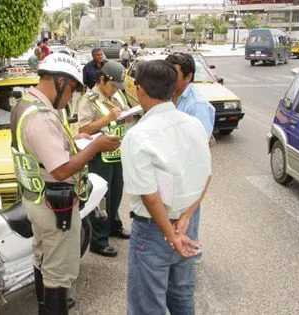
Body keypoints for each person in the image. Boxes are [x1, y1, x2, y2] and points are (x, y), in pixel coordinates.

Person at [10, 53, 120, 315]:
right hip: (54, 205)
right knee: (59, 273)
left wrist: (77, 138)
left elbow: (45, 148)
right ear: (59, 81)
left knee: (43, 260)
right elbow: (60, 170)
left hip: (36, 199)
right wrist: (94, 146)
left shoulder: (25, 105)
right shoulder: (41, 116)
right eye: (70, 88)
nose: (70, 96)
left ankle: (43, 308)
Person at [121, 59, 212, 315]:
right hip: (186, 224)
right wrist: (186, 218)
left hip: (154, 229)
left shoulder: (137, 136)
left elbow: (150, 196)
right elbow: (207, 175)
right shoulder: (194, 125)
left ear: (139, 89)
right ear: (174, 89)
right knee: (182, 296)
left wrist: (171, 234)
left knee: (147, 304)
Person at [77, 61, 132, 257]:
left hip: (116, 153)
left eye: (118, 87)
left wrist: (125, 114)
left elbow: (124, 113)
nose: (115, 90)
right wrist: (107, 119)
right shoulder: (88, 100)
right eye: (113, 86)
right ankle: (98, 240)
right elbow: (83, 129)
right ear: (102, 79)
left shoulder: (116, 94)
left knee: (116, 193)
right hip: (99, 157)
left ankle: (114, 226)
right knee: (100, 198)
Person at [166, 53, 216, 263]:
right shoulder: (171, 96)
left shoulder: (197, 105)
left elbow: (198, 149)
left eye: (174, 73)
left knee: (188, 222)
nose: (169, 77)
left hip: (188, 178)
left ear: (189, 77)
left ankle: (189, 262)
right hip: (172, 174)